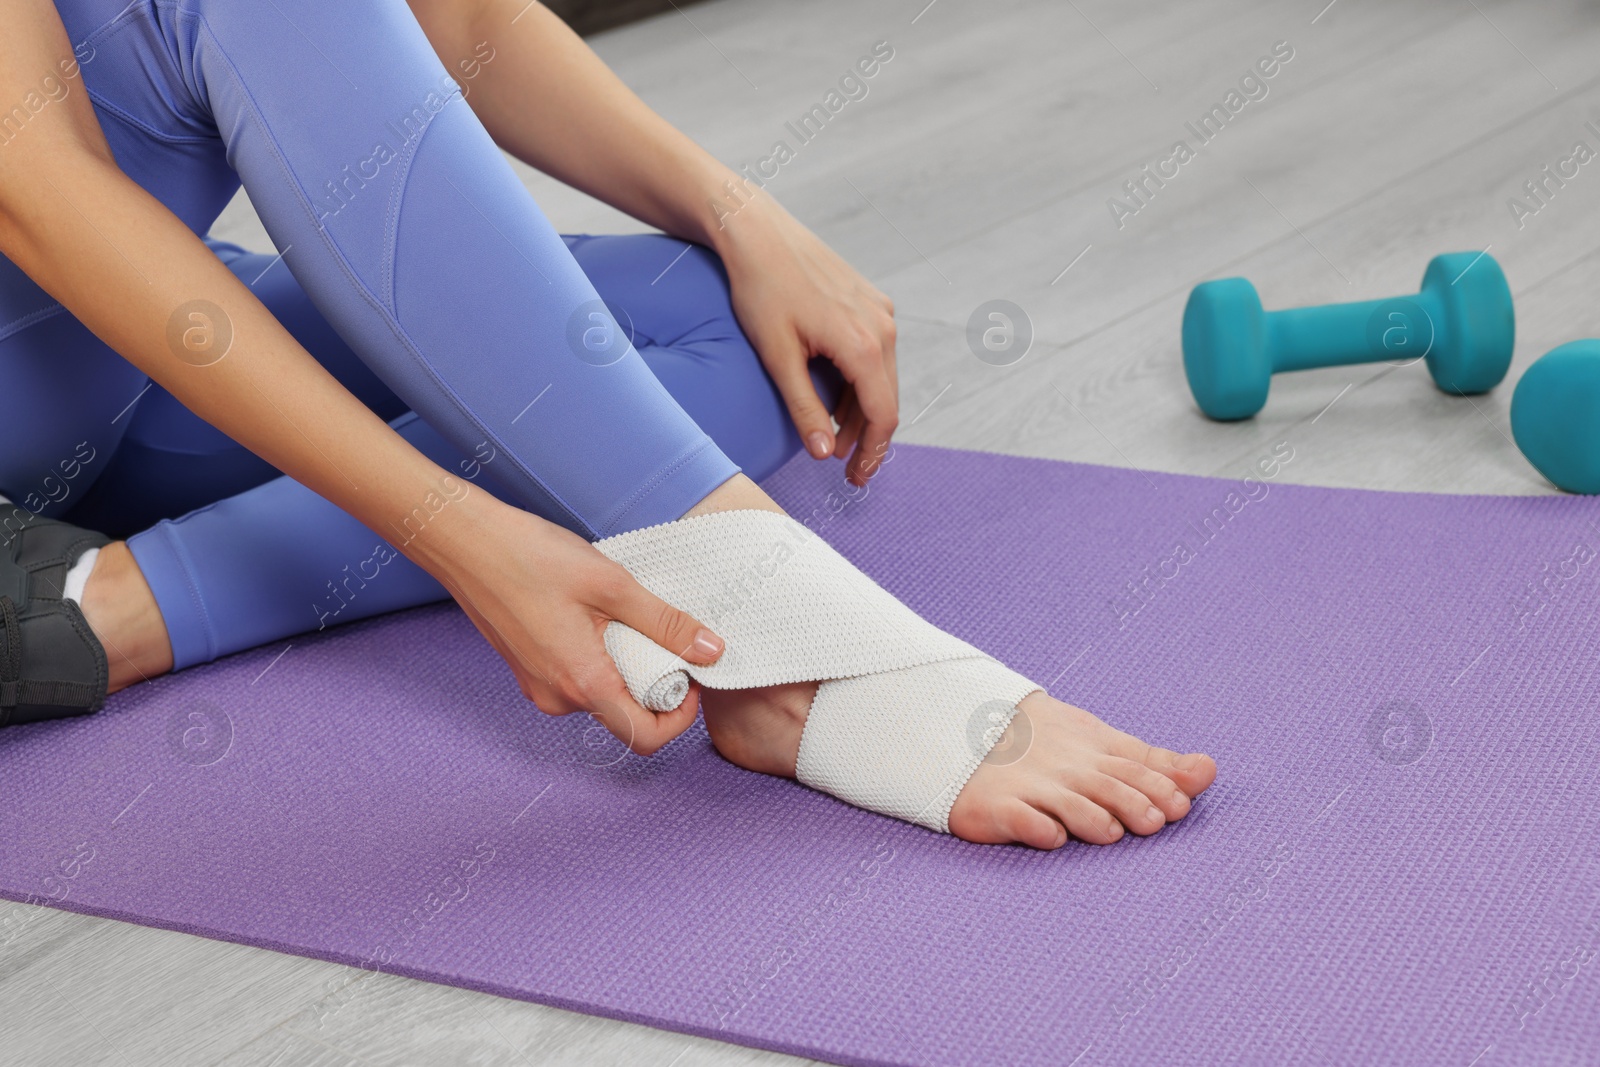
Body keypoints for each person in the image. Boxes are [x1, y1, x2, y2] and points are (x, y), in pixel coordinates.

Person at [0, 0, 1215, 848]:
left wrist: (738, 214)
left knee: (737, 343)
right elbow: (35, 191)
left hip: (111, 364)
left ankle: (109, 601)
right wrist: (451, 528)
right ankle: (771, 636)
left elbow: (461, 16)